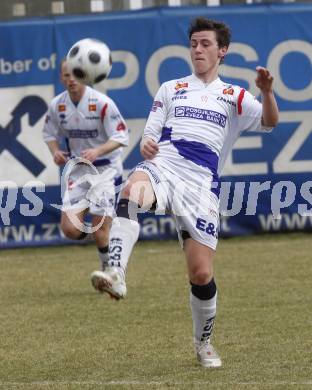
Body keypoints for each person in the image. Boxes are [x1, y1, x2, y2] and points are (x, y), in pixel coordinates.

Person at [91, 17, 279, 367]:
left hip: (201, 185)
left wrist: (266, 92)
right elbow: (150, 134)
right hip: (165, 166)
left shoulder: (234, 95)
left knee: (201, 274)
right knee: (131, 192)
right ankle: (116, 272)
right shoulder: (171, 87)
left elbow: (270, 122)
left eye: (205, 44)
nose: (198, 49)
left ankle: (203, 343)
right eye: (193, 43)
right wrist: (148, 145)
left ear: (222, 51)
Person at [43, 59, 129, 286]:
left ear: (85, 74)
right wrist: (55, 152)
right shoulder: (57, 105)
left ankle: (110, 271)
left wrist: (98, 150)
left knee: (101, 230)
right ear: (61, 78)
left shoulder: (102, 103)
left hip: (105, 170)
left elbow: (122, 137)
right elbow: (49, 133)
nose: (70, 79)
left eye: (75, 74)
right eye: (66, 75)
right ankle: (108, 233)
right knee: (70, 229)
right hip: (78, 171)